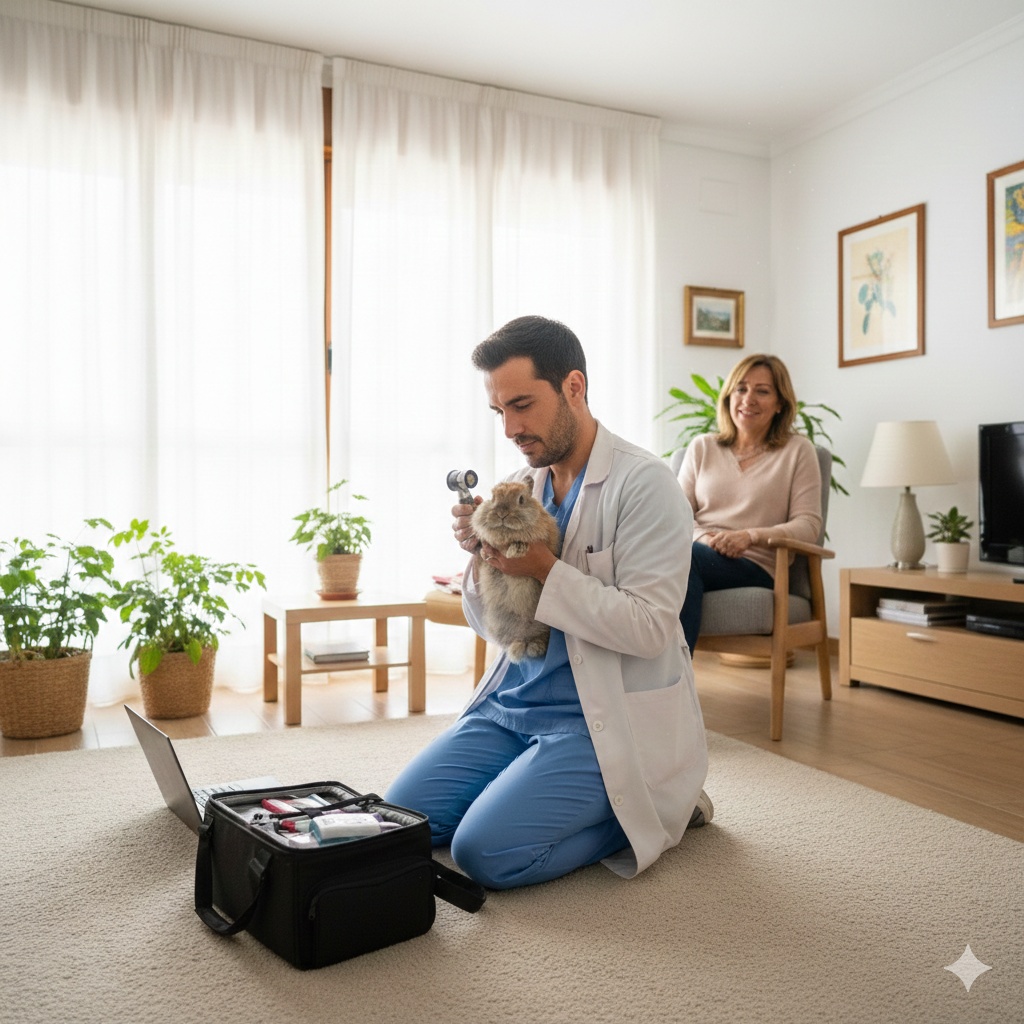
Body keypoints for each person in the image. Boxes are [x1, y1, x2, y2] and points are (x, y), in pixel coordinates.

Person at [385, 315, 709, 890]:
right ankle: (528, 786)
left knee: (484, 853)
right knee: (403, 820)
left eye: (523, 405)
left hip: (598, 718)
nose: (510, 427)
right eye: (499, 412)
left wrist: (545, 569)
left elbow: (650, 628)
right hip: (513, 704)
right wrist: (484, 561)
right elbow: (490, 624)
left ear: (574, 389)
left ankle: (655, 815)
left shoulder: (646, 486)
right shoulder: (523, 483)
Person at [677, 353, 822, 652]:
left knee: (680, 559)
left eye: (763, 391)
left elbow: (809, 525)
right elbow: (675, 515)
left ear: (780, 403)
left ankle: (671, 680)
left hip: (757, 564)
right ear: (729, 395)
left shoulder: (798, 451)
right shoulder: (702, 447)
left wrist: (749, 537)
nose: (748, 398)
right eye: (741, 388)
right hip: (700, 552)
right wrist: (706, 538)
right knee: (657, 555)